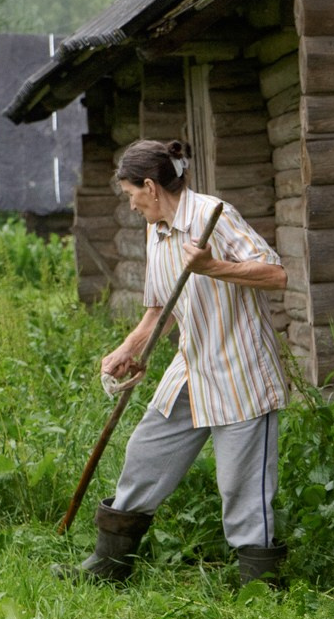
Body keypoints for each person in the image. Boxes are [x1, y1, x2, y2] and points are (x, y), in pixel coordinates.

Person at [70, 138, 290, 585]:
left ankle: (260, 587)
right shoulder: (157, 230)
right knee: (144, 455)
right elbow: (159, 310)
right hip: (190, 370)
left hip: (240, 371)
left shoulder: (215, 216)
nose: (131, 206)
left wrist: (215, 268)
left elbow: (275, 273)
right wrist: (127, 350)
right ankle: (108, 567)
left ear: (150, 187)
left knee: (240, 487)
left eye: (131, 195)